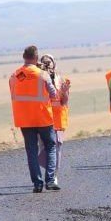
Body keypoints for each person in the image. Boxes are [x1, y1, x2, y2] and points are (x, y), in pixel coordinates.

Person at [10, 45, 61, 193]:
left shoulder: (15, 75)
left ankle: (37, 184)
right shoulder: (42, 74)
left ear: (23, 57)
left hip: (24, 120)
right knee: (50, 146)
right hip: (43, 117)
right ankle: (50, 180)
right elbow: (53, 94)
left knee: (31, 150)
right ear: (36, 58)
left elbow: (12, 92)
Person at [37, 54, 70, 185]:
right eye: (44, 63)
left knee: (57, 147)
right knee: (44, 147)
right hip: (43, 118)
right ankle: (48, 174)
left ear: (53, 64)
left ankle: (53, 175)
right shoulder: (38, 79)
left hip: (57, 119)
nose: (47, 65)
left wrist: (65, 91)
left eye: (49, 62)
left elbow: (64, 101)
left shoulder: (60, 79)